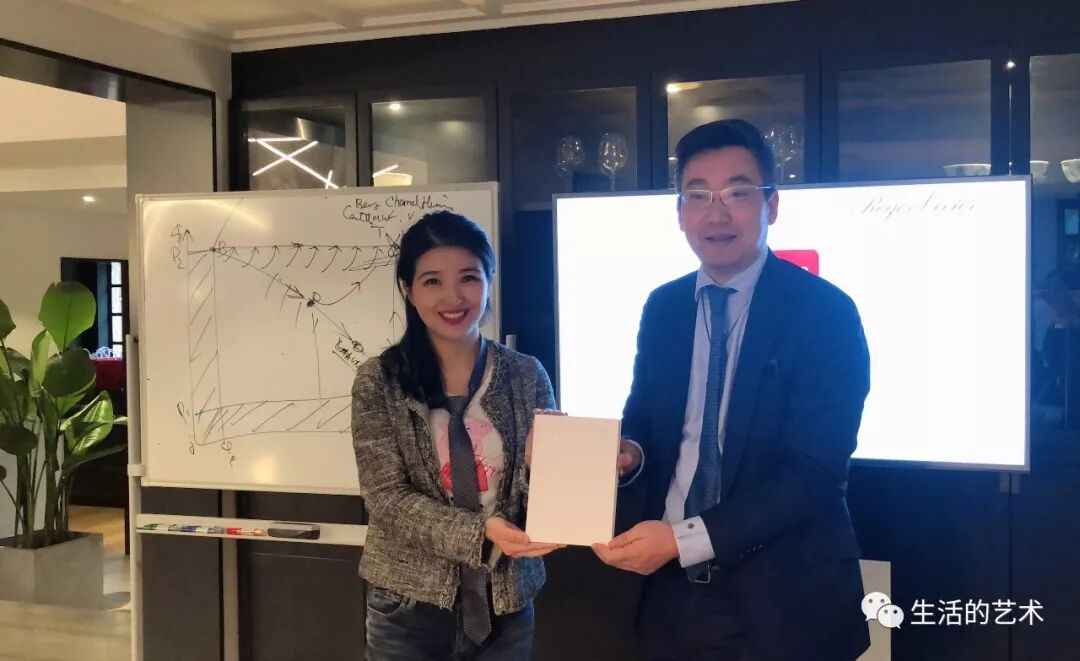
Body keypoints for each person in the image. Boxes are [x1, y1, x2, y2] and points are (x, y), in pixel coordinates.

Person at [593, 119, 872, 661]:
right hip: (670, 595)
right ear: (680, 212)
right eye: (698, 195)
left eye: (737, 193)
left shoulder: (825, 313)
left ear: (772, 204)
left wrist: (684, 539)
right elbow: (645, 420)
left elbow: (814, 473)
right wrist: (629, 452)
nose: (716, 214)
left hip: (784, 599)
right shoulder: (664, 308)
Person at [351, 210, 561, 660]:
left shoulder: (526, 376)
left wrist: (538, 466)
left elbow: (541, 500)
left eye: (468, 277)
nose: (453, 297)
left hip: (506, 604)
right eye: (432, 281)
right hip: (408, 606)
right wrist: (481, 533)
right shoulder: (380, 380)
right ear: (407, 290)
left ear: (489, 280)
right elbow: (386, 498)